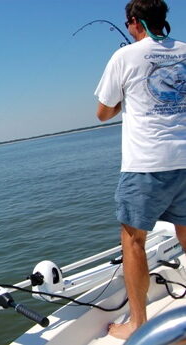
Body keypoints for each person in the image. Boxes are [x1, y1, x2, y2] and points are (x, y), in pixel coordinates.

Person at [94, 0, 186, 339]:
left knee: (133, 240)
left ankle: (138, 323)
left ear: (134, 22)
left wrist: (123, 100)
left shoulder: (124, 57)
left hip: (148, 164)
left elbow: (102, 113)